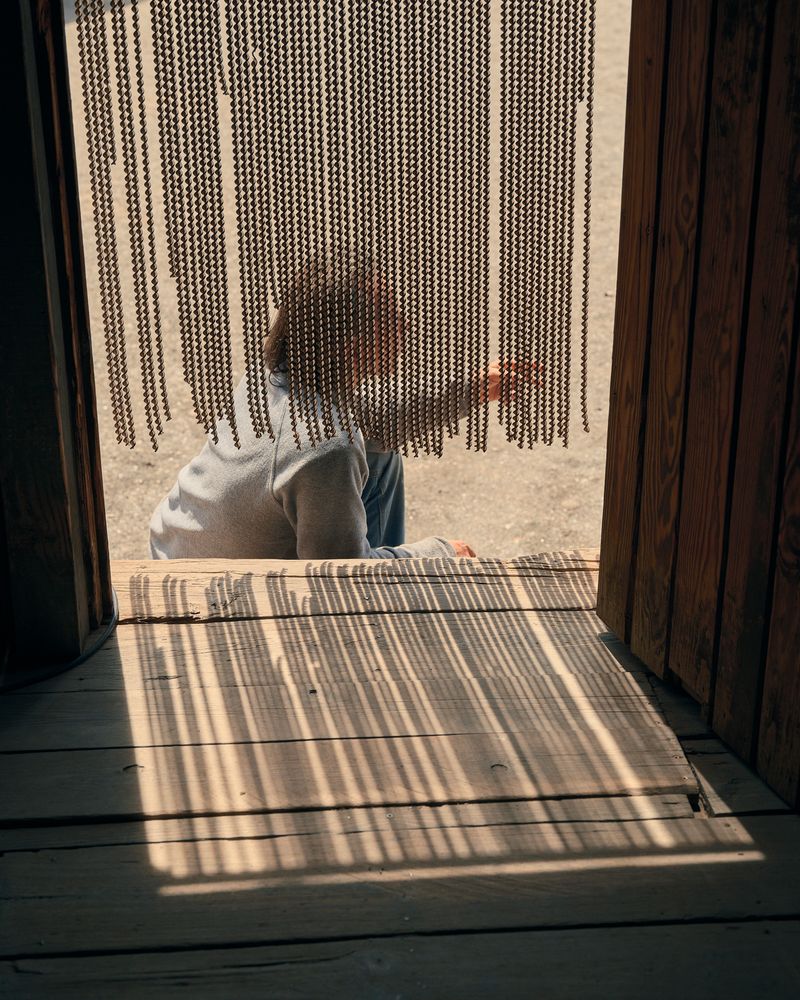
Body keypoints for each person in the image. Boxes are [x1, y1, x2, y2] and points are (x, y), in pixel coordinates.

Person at [149, 260, 527, 561]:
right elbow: (340, 569)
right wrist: (441, 552)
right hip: (218, 586)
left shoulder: (279, 372)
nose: (406, 326)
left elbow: (376, 418)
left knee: (381, 459)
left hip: (177, 543)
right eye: (391, 320)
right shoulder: (325, 447)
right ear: (352, 345)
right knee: (374, 494)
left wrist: (472, 389)